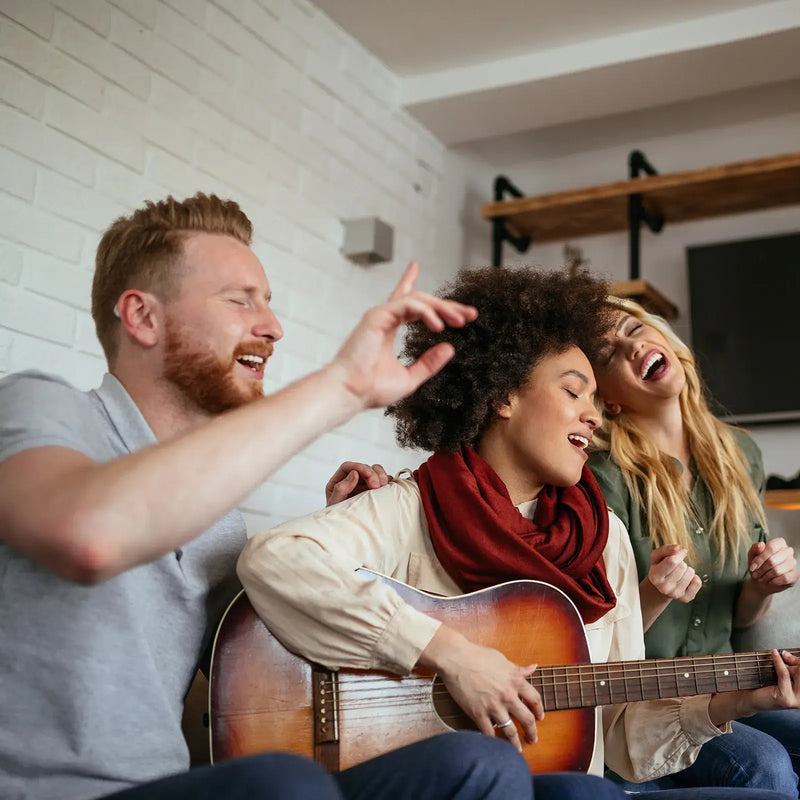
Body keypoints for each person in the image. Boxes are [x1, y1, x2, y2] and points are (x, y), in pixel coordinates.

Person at [0, 192, 545, 800]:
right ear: (142, 317)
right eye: (241, 301)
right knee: (287, 783)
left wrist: (345, 545)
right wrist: (341, 388)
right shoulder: (41, 406)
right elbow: (88, 536)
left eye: (268, 302)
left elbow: (263, 668)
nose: (273, 327)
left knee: (483, 768)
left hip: (169, 790)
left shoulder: (219, 521)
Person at [238, 266, 800, 800]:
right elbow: (275, 558)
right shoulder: (414, 504)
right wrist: (454, 657)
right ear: (504, 396)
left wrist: (736, 702)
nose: (594, 417)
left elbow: (620, 736)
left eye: (595, 401)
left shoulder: (606, 540)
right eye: (574, 392)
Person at [587, 295, 800, 795]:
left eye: (633, 328)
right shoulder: (601, 475)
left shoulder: (740, 452)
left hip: (730, 681)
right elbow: (596, 641)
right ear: (608, 400)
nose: (632, 346)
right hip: (643, 701)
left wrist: (764, 585)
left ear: (664, 338)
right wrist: (653, 592)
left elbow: (740, 618)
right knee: (764, 765)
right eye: (610, 353)